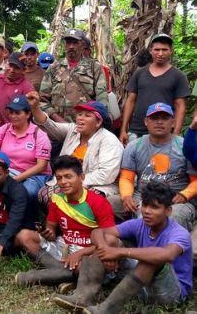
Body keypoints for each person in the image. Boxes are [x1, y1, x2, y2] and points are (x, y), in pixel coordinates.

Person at [53, 182, 192, 313]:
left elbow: (167, 254)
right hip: (141, 288)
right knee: (109, 239)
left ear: (168, 211)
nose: (147, 211)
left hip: (171, 294)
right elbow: (98, 232)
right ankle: (82, 297)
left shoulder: (179, 233)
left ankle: (106, 310)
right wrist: (105, 250)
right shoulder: (139, 224)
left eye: (154, 207)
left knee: (151, 260)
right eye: (145, 205)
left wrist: (118, 252)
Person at [14, 156, 116, 287]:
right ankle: (64, 275)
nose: (63, 182)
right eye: (59, 178)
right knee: (24, 236)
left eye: (68, 176)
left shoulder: (98, 202)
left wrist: (80, 253)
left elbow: (109, 241)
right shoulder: (56, 199)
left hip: (89, 250)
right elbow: (51, 228)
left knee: (85, 266)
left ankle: (57, 275)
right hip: (64, 245)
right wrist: (48, 233)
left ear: (81, 177)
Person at [110, 102, 197, 230]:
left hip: (175, 201)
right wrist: (127, 196)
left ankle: (166, 247)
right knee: (109, 203)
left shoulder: (184, 146)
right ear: (146, 121)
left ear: (173, 122)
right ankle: (120, 243)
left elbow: (195, 180)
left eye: (164, 118)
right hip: (142, 198)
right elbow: (127, 178)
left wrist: (185, 194)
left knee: (171, 218)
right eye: (154, 118)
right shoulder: (134, 146)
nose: (159, 122)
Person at [25, 92, 123, 206]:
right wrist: (35, 108)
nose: (80, 118)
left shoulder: (109, 140)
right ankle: (59, 223)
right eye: (80, 114)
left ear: (98, 122)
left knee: (82, 201)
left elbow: (106, 174)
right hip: (67, 183)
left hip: (96, 185)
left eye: (87, 115)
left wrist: (74, 182)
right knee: (45, 194)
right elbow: (49, 125)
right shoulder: (73, 130)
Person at [119, 33, 190, 145]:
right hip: (137, 130)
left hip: (165, 132)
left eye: (164, 50)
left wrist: (175, 133)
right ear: (151, 50)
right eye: (157, 49)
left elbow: (180, 106)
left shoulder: (179, 76)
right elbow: (130, 101)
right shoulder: (140, 73)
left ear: (171, 51)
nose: (160, 53)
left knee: (162, 162)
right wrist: (123, 130)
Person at [0, 95, 51, 205]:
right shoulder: (5, 129)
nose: (13, 116)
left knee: (28, 191)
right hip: (9, 171)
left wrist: (15, 180)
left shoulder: (39, 134)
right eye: (11, 112)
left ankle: (30, 219)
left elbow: (41, 166)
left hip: (34, 176)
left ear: (28, 114)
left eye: (17, 113)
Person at [39, 29, 108, 123]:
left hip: (86, 125)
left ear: (83, 45)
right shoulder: (53, 68)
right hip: (57, 124)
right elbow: (43, 99)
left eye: (75, 43)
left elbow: (102, 98)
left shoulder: (94, 67)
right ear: (64, 45)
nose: (71, 46)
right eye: (68, 43)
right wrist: (55, 117)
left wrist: (94, 120)